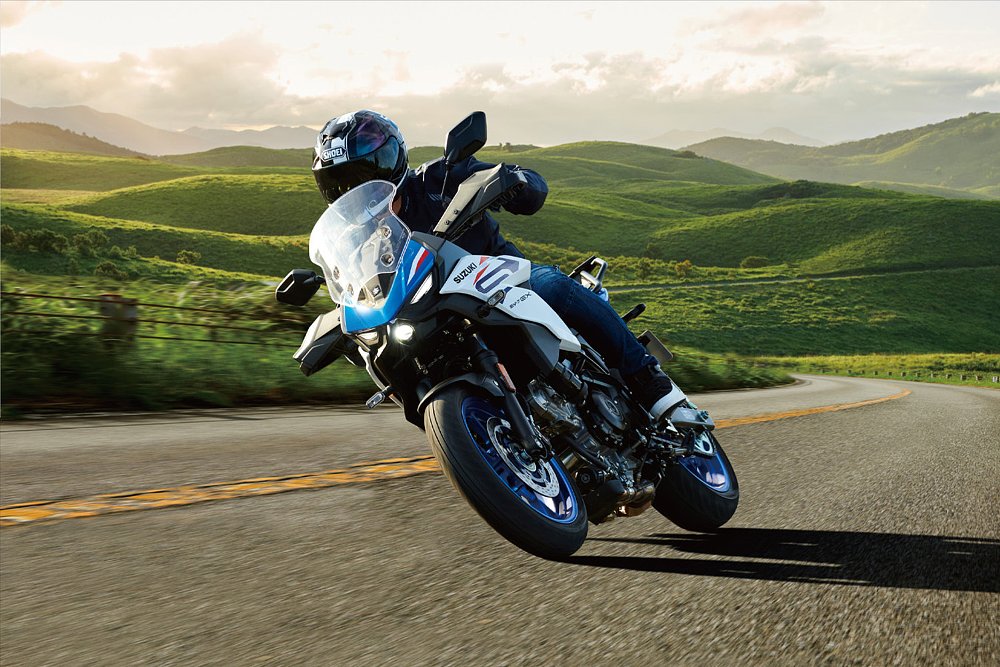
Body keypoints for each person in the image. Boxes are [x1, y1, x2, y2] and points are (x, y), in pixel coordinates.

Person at [311, 109, 687, 420]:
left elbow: (528, 184)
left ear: (392, 159)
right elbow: (366, 293)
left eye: (366, 172)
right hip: (435, 314)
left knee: (551, 284)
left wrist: (517, 181)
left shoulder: (437, 179)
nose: (358, 189)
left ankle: (648, 378)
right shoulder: (360, 246)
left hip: (504, 280)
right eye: (343, 182)